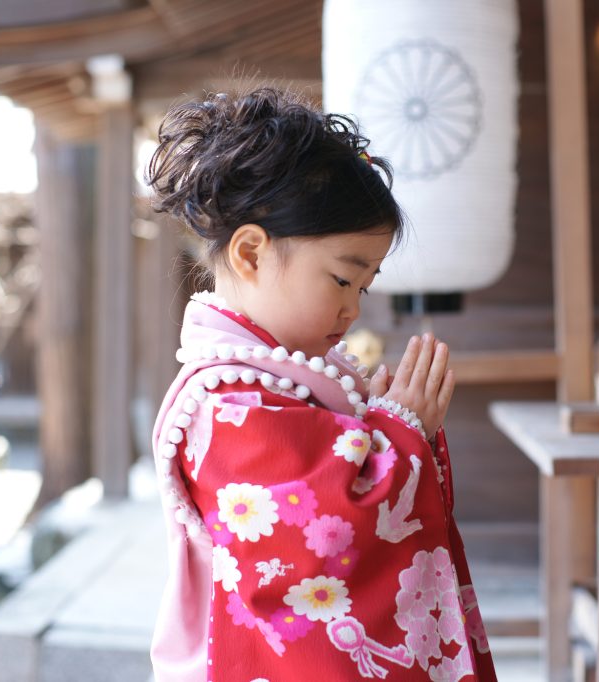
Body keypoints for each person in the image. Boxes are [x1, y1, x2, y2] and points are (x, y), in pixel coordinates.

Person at [145, 85, 496, 682]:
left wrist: (379, 428)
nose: (353, 308)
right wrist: (398, 434)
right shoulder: (226, 399)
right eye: (341, 280)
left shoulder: (266, 378)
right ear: (251, 253)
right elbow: (312, 541)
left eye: (363, 287)